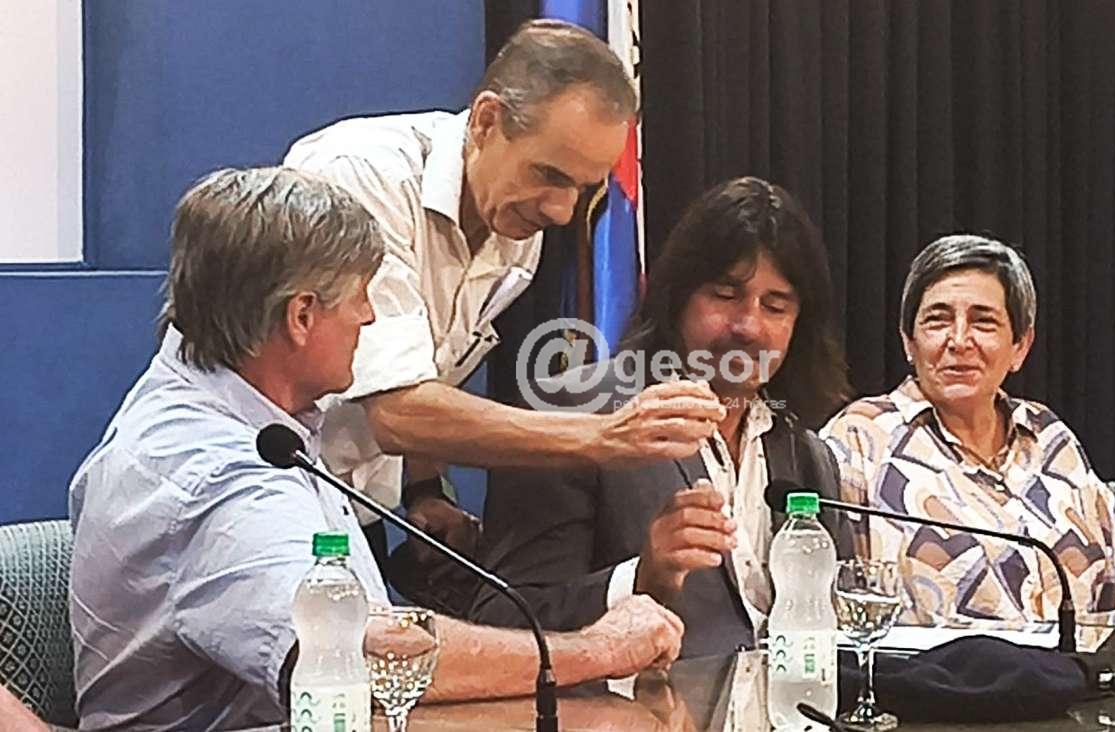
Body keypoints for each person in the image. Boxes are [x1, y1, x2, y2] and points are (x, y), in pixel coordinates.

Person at [67, 168, 684, 731]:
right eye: (362, 296)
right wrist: (596, 649)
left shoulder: (224, 401)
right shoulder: (218, 473)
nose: (368, 317)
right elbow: (359, 654)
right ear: (301, 316)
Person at [283, 19, 723, 572]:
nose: (561, 211)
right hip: (261, 489)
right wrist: (603, 435)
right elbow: (395, 410)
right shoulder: (362, 179)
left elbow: (425, 365)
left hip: (347, 505)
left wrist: (425, 489)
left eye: (583, 188)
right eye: (549, 174)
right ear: (487, 120)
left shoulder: (515, 228)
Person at [470, 177, 854, 658]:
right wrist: (641, 578)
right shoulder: (572, 413)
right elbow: (503, 618)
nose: (749, 326)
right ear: (676, 298)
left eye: (775, 307)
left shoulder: (807, 455)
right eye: (725, 294)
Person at [820, 234, 1115, 626]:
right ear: (909, 341)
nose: (959, 340)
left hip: (1080, 664)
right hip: (930, 667)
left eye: (983, 322)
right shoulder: (861, 438)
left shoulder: (1048, 435)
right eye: (938, 320)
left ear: (1020, 346)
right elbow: (823, 596)